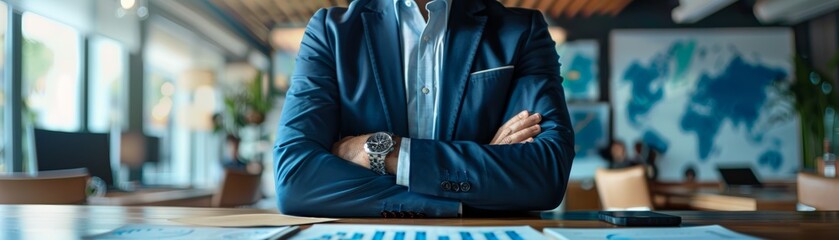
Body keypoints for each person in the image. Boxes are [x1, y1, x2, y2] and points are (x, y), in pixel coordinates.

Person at [274, 0, 575, 217]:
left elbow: (543, 175)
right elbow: (296, 180)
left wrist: (381, 151)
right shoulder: (330, 32)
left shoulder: (521, 31)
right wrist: (471, 192)